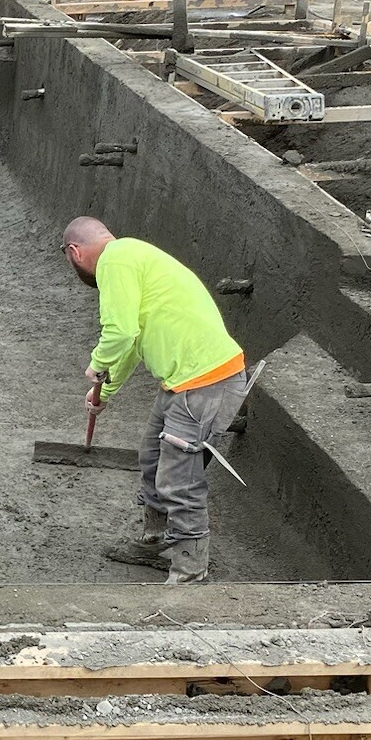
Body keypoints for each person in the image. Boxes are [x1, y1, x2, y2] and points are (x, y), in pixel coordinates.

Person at [62, 217, 251, 585]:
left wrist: (97, 364)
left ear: (75, 252)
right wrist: (107, 392)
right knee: (151, 457)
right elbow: (134, 340)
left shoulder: (115, 260)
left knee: (179, 480)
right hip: (184, 380)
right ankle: (157, 543)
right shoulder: (132, 255)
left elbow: (119, 331)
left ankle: (190, 571)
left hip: (207, 381)